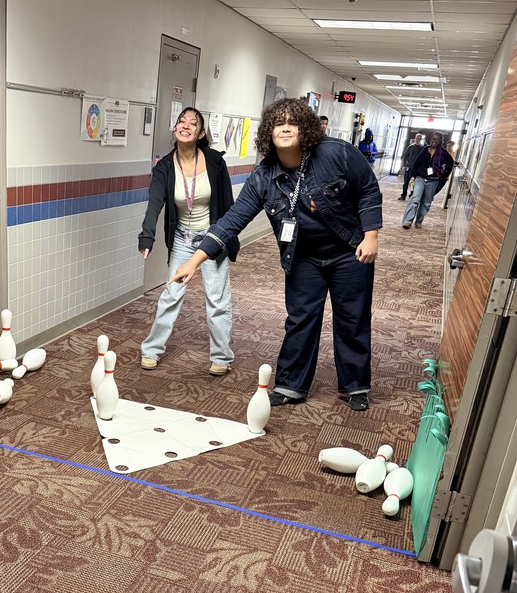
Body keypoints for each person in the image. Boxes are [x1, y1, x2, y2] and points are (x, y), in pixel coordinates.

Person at [171, 97, 382, 411]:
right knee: (300, 320)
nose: (285, 128)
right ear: (268, 132)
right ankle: (291, 384)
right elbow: (232, 220)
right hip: (303, 256)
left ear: (305, 128)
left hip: (349, 251)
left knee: (352, 319)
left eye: (292, 123)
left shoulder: (336, 153)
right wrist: (194, 260)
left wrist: (371, 235)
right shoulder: (263, 177)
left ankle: (355, 386)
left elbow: (367, 187)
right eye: (278, 124)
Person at [138, 107, 239, 376]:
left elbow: (228, 203)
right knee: (171, 293)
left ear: (200, 133)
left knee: (217, 299)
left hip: (212, 238)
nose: (185, 125)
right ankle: (151, 350)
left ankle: (221, 357)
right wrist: (147, 235)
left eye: (192, 123)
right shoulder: (164, 167)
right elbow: (154, 204)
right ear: (175, 129)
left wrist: (231, 240)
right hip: (183, 239)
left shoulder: (215, 161)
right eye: (181, 121)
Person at [401, 132, 455, 229]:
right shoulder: (425, 149)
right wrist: (412, 177)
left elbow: (450, 164)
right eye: (432, 138)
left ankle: (419, 221)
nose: (434, 140)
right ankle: (407, 221)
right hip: (420, 178)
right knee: (415, 198)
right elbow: (416, 163)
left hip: (433, 180)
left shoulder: (443, 153)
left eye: (436, 139)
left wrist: (443, 175)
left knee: (426, 202)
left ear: (440, 141)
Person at [398, 133, 426, 199]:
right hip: (408, 167)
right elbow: (405, 157)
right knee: (405, 183)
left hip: (416, 169)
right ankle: (403, 195)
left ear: (421, 139)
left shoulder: (422, 148)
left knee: (412, 183)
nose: (418, 139)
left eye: (419, 138)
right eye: (417, 137)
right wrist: (403, 165)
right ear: (415, 138)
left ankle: (411, 195)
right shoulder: (410, 147)